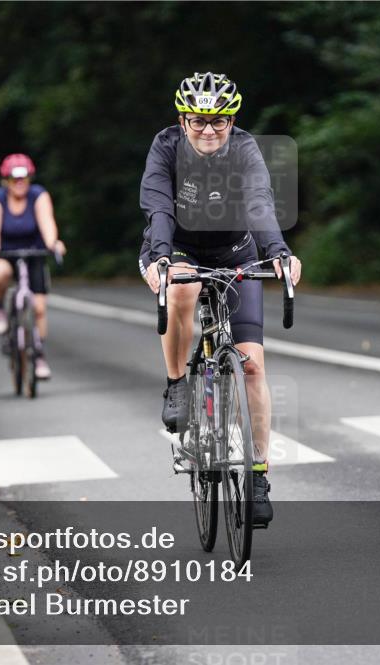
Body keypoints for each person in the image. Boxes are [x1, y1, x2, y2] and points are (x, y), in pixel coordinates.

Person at [138, 72, 302, 527]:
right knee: (185, 287)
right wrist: (163, 258)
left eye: (220, 121)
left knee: (252, 365)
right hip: (177, 248)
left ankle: (257, 476)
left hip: (235, 251)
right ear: (182, 119)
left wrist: (279, 252)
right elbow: (158, 207)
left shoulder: (244, 148)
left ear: (232, 121)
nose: (209, 130)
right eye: (198, 121)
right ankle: (177, 383)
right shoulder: (167, 147)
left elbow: (259, 203)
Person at [0, 153, 66, 380]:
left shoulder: (38, 195)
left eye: (24, 178)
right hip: (6, 252)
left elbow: (47, 222)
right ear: (6, 180)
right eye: (13, 179)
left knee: (39, 308)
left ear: (30, 178)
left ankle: (38, 355)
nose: (19, 183)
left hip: (34, 253)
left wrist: (53, 243)